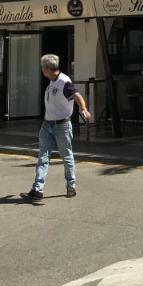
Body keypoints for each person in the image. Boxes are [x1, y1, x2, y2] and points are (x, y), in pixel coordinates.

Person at [21, 54, 92, 202]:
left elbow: (77, 95)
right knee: (43, 156)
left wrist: (83, 109)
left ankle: (71, 186)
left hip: (62, 126)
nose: (41, 70)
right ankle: (37, 189)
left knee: (66, 156)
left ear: (47, 69)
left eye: (42, 67)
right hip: (47, 125)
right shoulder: (52, 81)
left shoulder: (63, 82)